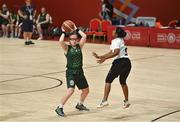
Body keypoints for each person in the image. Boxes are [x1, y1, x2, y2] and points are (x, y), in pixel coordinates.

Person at [55, 24, 90, 117]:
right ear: (69, 41)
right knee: (71, 91)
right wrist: (63, 32)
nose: (74, 41)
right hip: (71, 73)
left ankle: (80, 104)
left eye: (75, 39)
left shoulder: (79, 46)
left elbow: (84, 36)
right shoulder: (67, 48)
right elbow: (60, 41)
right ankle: (59, 107)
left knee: (86, 91)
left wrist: (76, 29)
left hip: (80, 72)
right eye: (72, 39)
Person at [92, 27, 131, 109]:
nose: (112, 31)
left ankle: (104, 101)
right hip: (127, 63)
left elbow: (116, 52)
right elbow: (111, 52)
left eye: (114, 31)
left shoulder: (115, 41)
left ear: (116, 34)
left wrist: (104, 59)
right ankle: (126, 101)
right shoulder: (121, 40)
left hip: (119, 62)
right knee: (123, 82)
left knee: (108, 81)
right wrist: (100, 56)